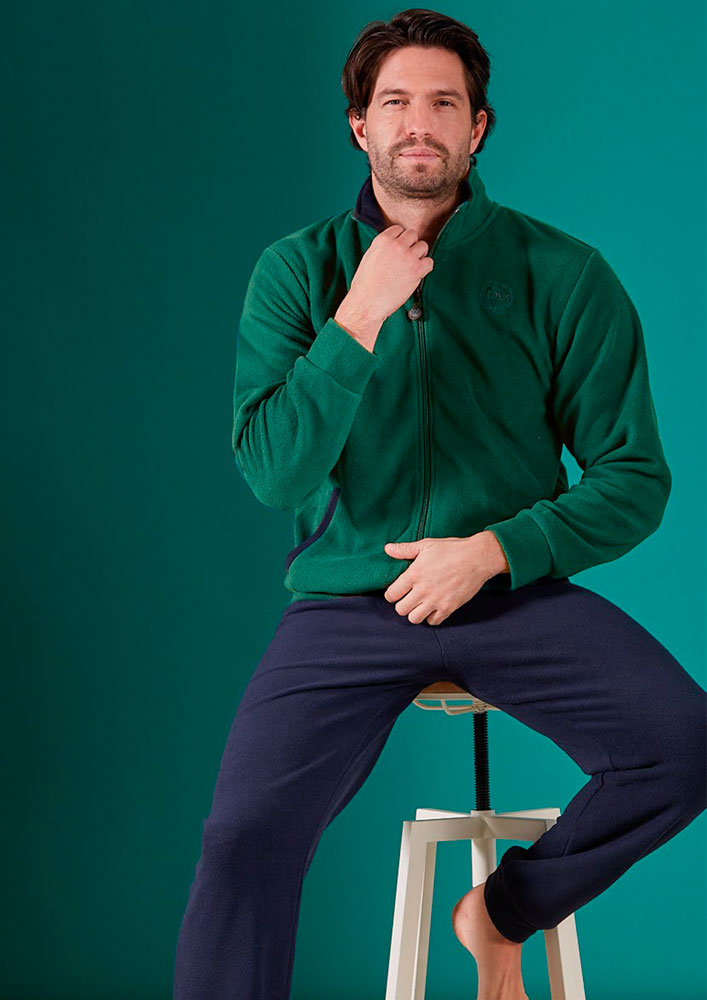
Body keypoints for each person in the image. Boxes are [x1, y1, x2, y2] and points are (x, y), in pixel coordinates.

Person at [173, 10, 706, 1000]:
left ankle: (501, 911)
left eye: (442, 103)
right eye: (394, 103)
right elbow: (274, 475)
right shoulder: (296, 271)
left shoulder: (562, 273)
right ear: (358, 126)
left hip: (510, 595)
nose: (417, 123)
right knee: (242, 836)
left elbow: (634, 476)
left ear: (477, 127)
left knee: (683, 745)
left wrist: (494, 550)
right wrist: (358, 314)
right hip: (348, 605)